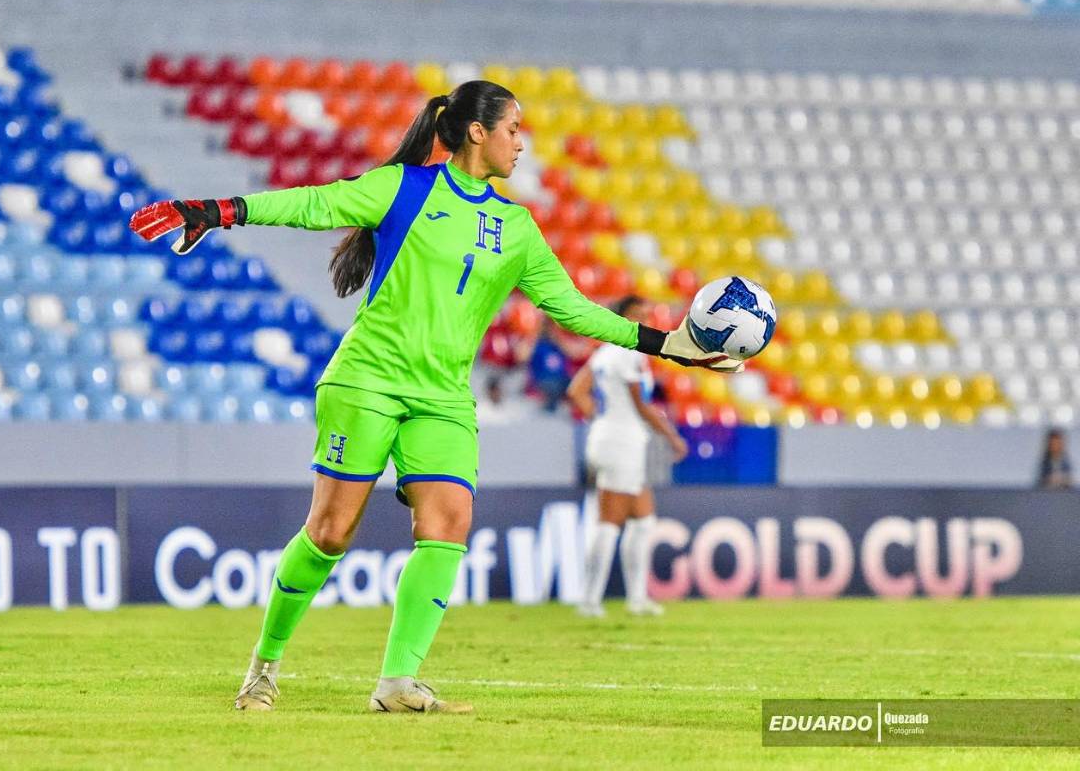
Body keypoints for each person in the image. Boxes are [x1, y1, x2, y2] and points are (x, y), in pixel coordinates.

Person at [130, 80, 741, 715]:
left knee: (448, 524)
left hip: (444, 397)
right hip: (366, 380)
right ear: (477, 132)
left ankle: (396, 684)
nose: (521, 143)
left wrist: (670, 344)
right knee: (331, 533)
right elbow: (315, 204)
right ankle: (263, 668)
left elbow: (574, 310)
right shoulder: (404, 188)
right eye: (512, 129)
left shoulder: (517, 227)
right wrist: (215, 211)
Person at [566, 297, 689, 617]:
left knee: (644, 520)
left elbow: (576, 391)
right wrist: (672, 436)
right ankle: (590, 600)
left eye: (647, 315)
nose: (644, 322)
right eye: (638, 316)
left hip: (613, 439)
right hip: (620, 442)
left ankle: (636, 598)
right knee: (610, 521)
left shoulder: (604, 353)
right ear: (622, 318)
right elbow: (642, 406)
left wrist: (600, 420)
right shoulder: (628, 353)